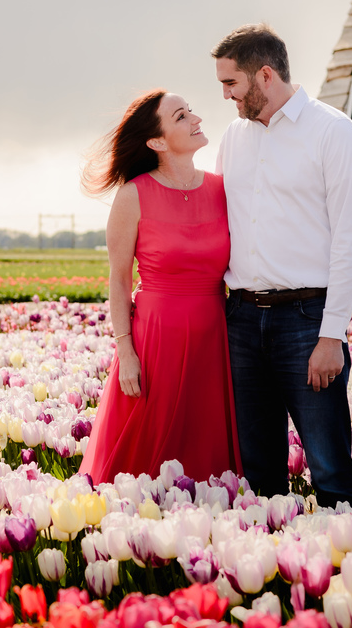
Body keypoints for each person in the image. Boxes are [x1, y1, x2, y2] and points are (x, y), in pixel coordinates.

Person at [212, 24, 352, 508]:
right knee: (257, 471)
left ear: (263, 75)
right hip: (239, 318)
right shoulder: (234, 137)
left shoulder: (332, 131)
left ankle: (349, 574)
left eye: (230, 84)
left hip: (306, 321)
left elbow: (348, 240)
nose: (225, 96)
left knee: (329, 467)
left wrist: (331, 335)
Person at [78, 89, 241, 483]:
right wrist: (125, 351)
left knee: (209, 460)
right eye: (182, 116)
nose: (196, 119)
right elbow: (118, 280)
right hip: (154, 341)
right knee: (144, 460)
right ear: (157, 142)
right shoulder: (133, 195)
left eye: (191, 111)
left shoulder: (223, 189)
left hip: (215, 339)